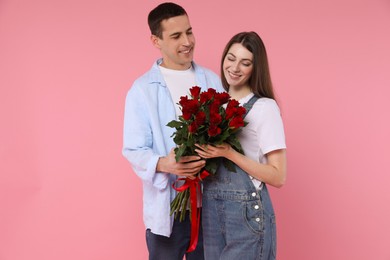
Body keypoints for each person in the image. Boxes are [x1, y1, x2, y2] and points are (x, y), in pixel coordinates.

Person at [122, 2, 222, 260]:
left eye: (189, 32)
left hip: (211, 206)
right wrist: (166, 164)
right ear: (156, 40)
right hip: (169, 209)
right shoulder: (142, 89)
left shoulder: (212, 80)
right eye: (176, 36)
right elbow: (133, 149)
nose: (187, 41)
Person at [195, 32, 287, 260]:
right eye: (231, 58)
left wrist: (230, 153)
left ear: (256, 68)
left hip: (246, 214)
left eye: (245, 63)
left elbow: (278, 177)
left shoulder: (265, 108)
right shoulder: (214, 105)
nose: (235, 68)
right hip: (212, 211)